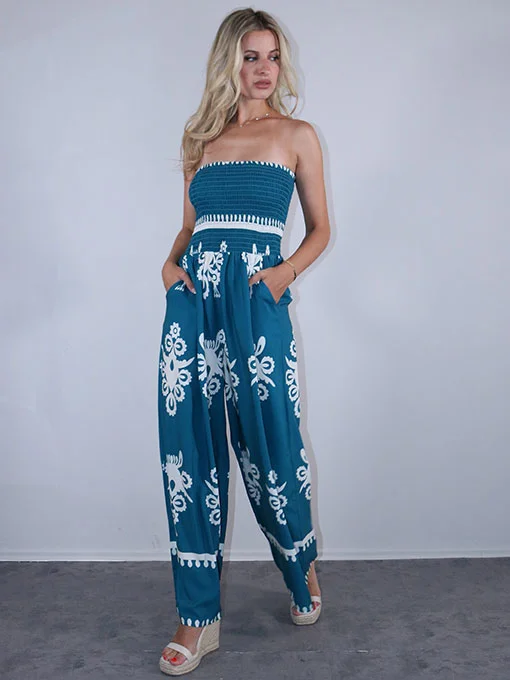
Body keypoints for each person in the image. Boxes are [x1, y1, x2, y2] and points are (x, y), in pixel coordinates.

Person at [157, 7, 331, 675]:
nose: (264, 69)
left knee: (271, 439)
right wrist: (169, 266)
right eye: (250, 56)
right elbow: (188, 227)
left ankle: (300, 563)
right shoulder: (199, 138)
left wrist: (281, 277)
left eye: (273, 57)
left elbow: (319, 229)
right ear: (228, 62)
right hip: (194, 303)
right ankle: (197, 617)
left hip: (257, 300)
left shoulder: (297, 135)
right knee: (188, 447)